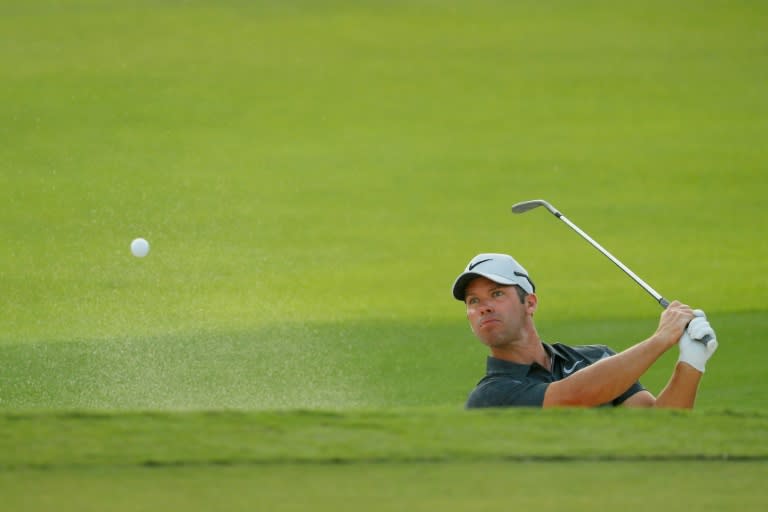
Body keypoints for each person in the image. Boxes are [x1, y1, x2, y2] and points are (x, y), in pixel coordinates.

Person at [452, 253, 718, 408]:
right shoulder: (490, 397)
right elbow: (573, 396)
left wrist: (691, 361)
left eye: (496, 294)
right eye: (473, 301)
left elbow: (660, 428)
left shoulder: (596, 358)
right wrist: (660, 339)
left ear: (530, 302)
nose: (483, 307)